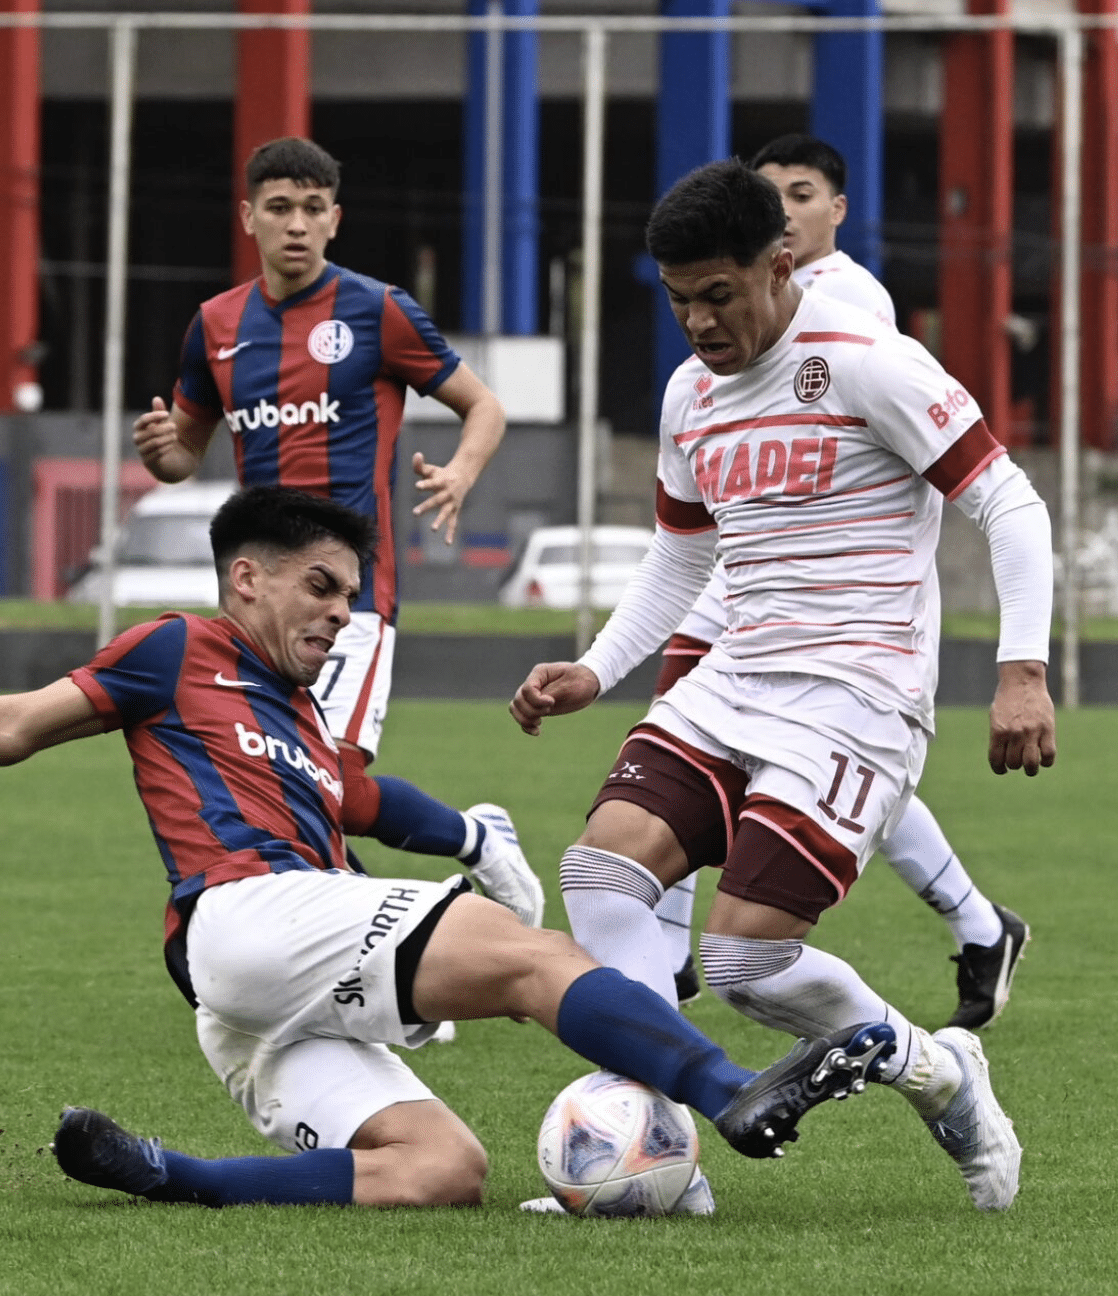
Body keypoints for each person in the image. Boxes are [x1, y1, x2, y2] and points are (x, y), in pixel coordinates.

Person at [0, 484, 879, 1209]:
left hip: (243, 1003)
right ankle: (729, 1090)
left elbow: (379, 804)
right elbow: (5, 727)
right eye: (320, 590)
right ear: (247, 578)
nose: (338, 615)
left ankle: (166, 1178)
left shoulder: (303, 727)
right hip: (246, 916)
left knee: (442, 1172)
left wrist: (477, 835)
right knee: (535, 962)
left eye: (349, 597)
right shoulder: (174, 651)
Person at [510, 161, 1057, 1213]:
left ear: (780, 262)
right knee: (599, 876)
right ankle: (662, 1161)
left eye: (718, 294)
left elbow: (1007, 502)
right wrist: (593, 667)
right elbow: (678, 560)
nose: (698, 323)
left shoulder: (865, 361)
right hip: (736, 676)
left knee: (742, 965)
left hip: (857, 691)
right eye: (677, 301)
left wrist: (1019, 670)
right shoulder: (686, 395)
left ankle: (941, 1074)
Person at [652, 135, 1029, 1030]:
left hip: (840, 602)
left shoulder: (851, 305)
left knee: (807, 767)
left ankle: (957, 950)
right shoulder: (717, 329)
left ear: (835, 212)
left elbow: (955, 474)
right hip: (744, 575)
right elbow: (688, 522)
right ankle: (664, 960)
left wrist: (1022, 666)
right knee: (678, 764)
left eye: (803, 191)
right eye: (769, 191)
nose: (785, 205)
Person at [130, 137, 543, 933]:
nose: (296, 224)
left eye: (312, 209)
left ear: (335, 220)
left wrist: (459, 473)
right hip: (255, 602)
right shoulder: (215, 324)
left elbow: (483, 405)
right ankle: (396, 942)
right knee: (291, 784)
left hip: (350, 596)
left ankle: (465, 861)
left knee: (339, 790)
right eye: (279, 208)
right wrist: (163, 452)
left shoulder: (377, 310)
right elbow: (184, 451)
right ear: (248, 216)